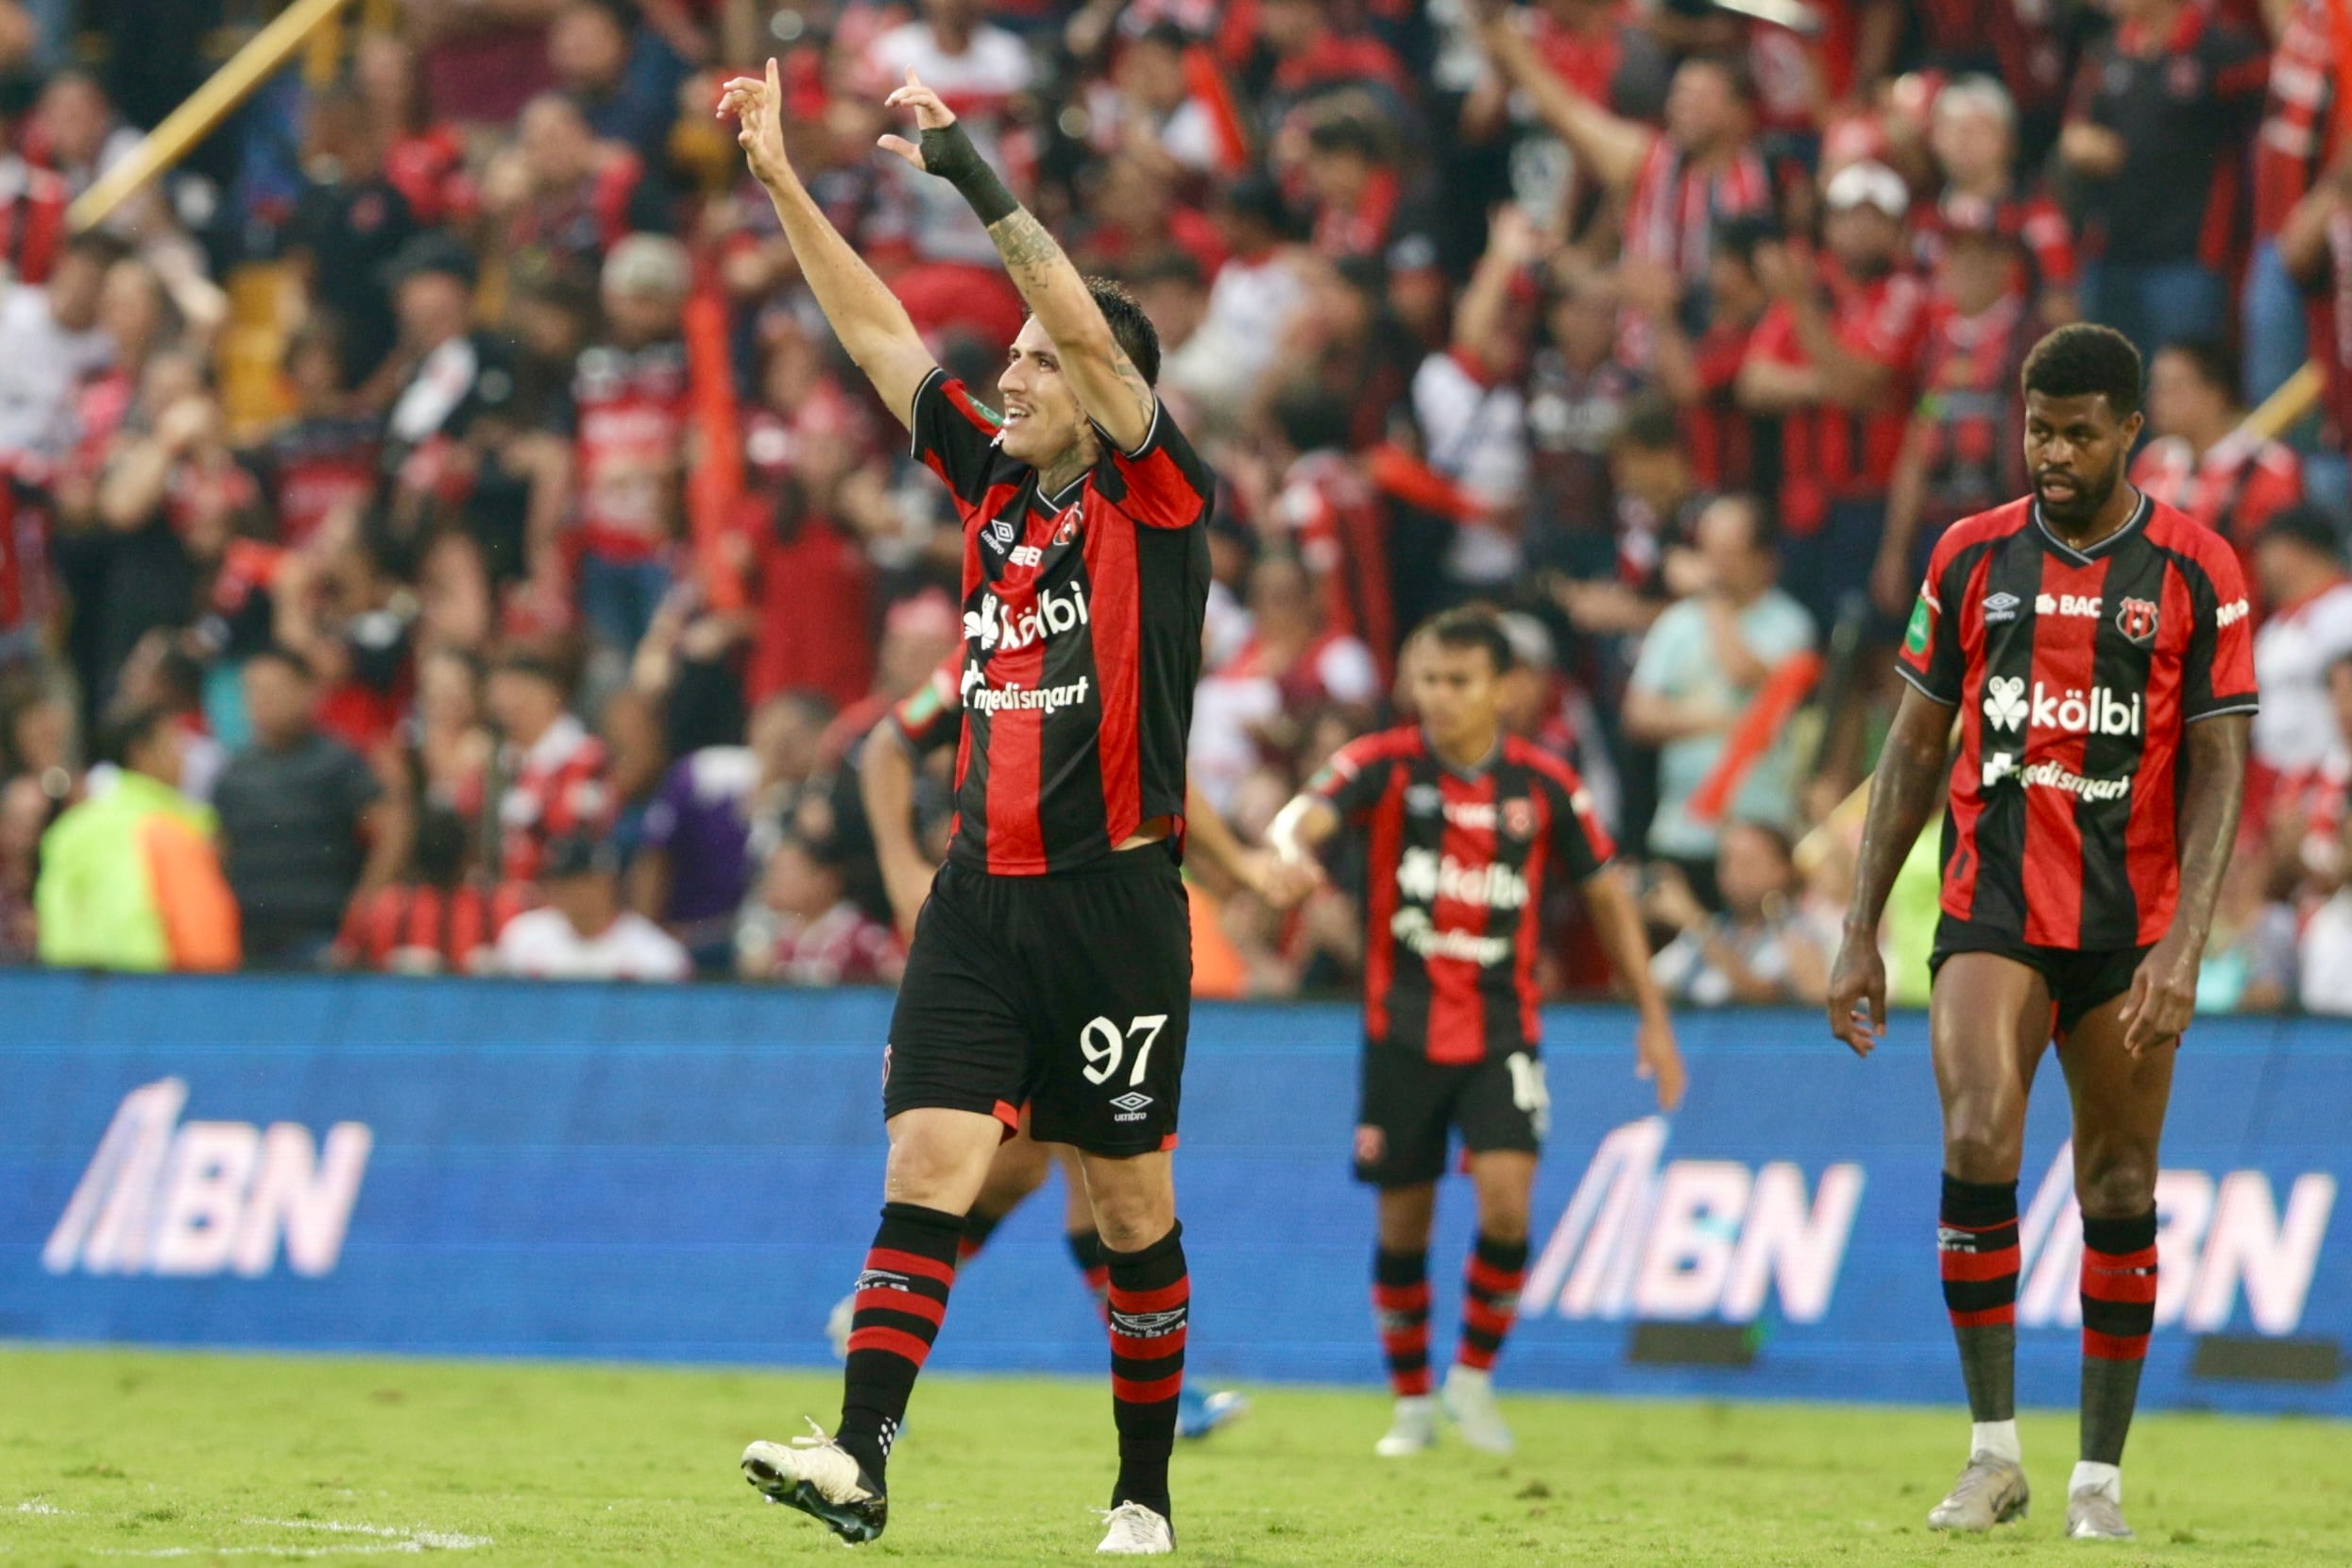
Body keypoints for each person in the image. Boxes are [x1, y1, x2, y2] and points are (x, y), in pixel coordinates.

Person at [721, 57, 1213, 1555]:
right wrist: (787, 184)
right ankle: (861, 1457)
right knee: (927, 1163)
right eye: (1008, 360)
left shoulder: (1156, 493)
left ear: (1105, 387)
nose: (1011, 375)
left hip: (1117, 905)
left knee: (1129, 1214)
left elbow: (1074, 315)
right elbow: (875, 336)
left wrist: (970, 174)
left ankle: (1142, 1496)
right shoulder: (993, 489)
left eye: (1039, 364)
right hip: (980, 900)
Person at [1828, 325, 2258, 1542]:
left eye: (2078, 431)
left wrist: (2184, 951)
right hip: (1995, 905)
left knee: (2118, 1182)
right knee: (1977, 1131)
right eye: (2038, 429)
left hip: (2134, 925)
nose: (2053, 452)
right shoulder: (1969, 556)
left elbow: (2223, 768)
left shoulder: (2196, 568)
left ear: (2131, 430)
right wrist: (1860, 927)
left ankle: (2098, 1483)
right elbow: (1912, 747)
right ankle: (1992, 1453)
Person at [1263, 607, 1684, 1459]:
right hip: (1401, 1033)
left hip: (1502, 1030)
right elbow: (1305, 812)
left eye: (1459, 682)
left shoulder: (1544, 784)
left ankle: (1474, 1379)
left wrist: (1653, 1015)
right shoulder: (1383, 767)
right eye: (1427, 679)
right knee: (1403, 1227)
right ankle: (1413, 1401)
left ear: (1505, 689)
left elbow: (1605, 894)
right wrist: (1284, 849)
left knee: (1506, 1200)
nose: (1440, 698)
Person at [212, 645, 410, 968]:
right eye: (253, 690)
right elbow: (219, 850)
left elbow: (392, 828)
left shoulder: (337, 762)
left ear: (306, 692)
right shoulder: (233, 774)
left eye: (274, 689)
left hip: (323, 941)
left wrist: (364, 907)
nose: (262, 700)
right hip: (248, 946)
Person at [35, 703, 239, 972]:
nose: (183, 759)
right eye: (174, 745)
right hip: (159, 996)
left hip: (77, 998)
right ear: (140, 753)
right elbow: (202, 936)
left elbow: (55, 922)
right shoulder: (175, 831)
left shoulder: (70, 829)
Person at [494, 830, 690, 980]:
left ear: (604, 882)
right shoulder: (522, 936)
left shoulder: (656, 953)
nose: (563, 891)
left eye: (575, 880)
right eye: (556, 881)